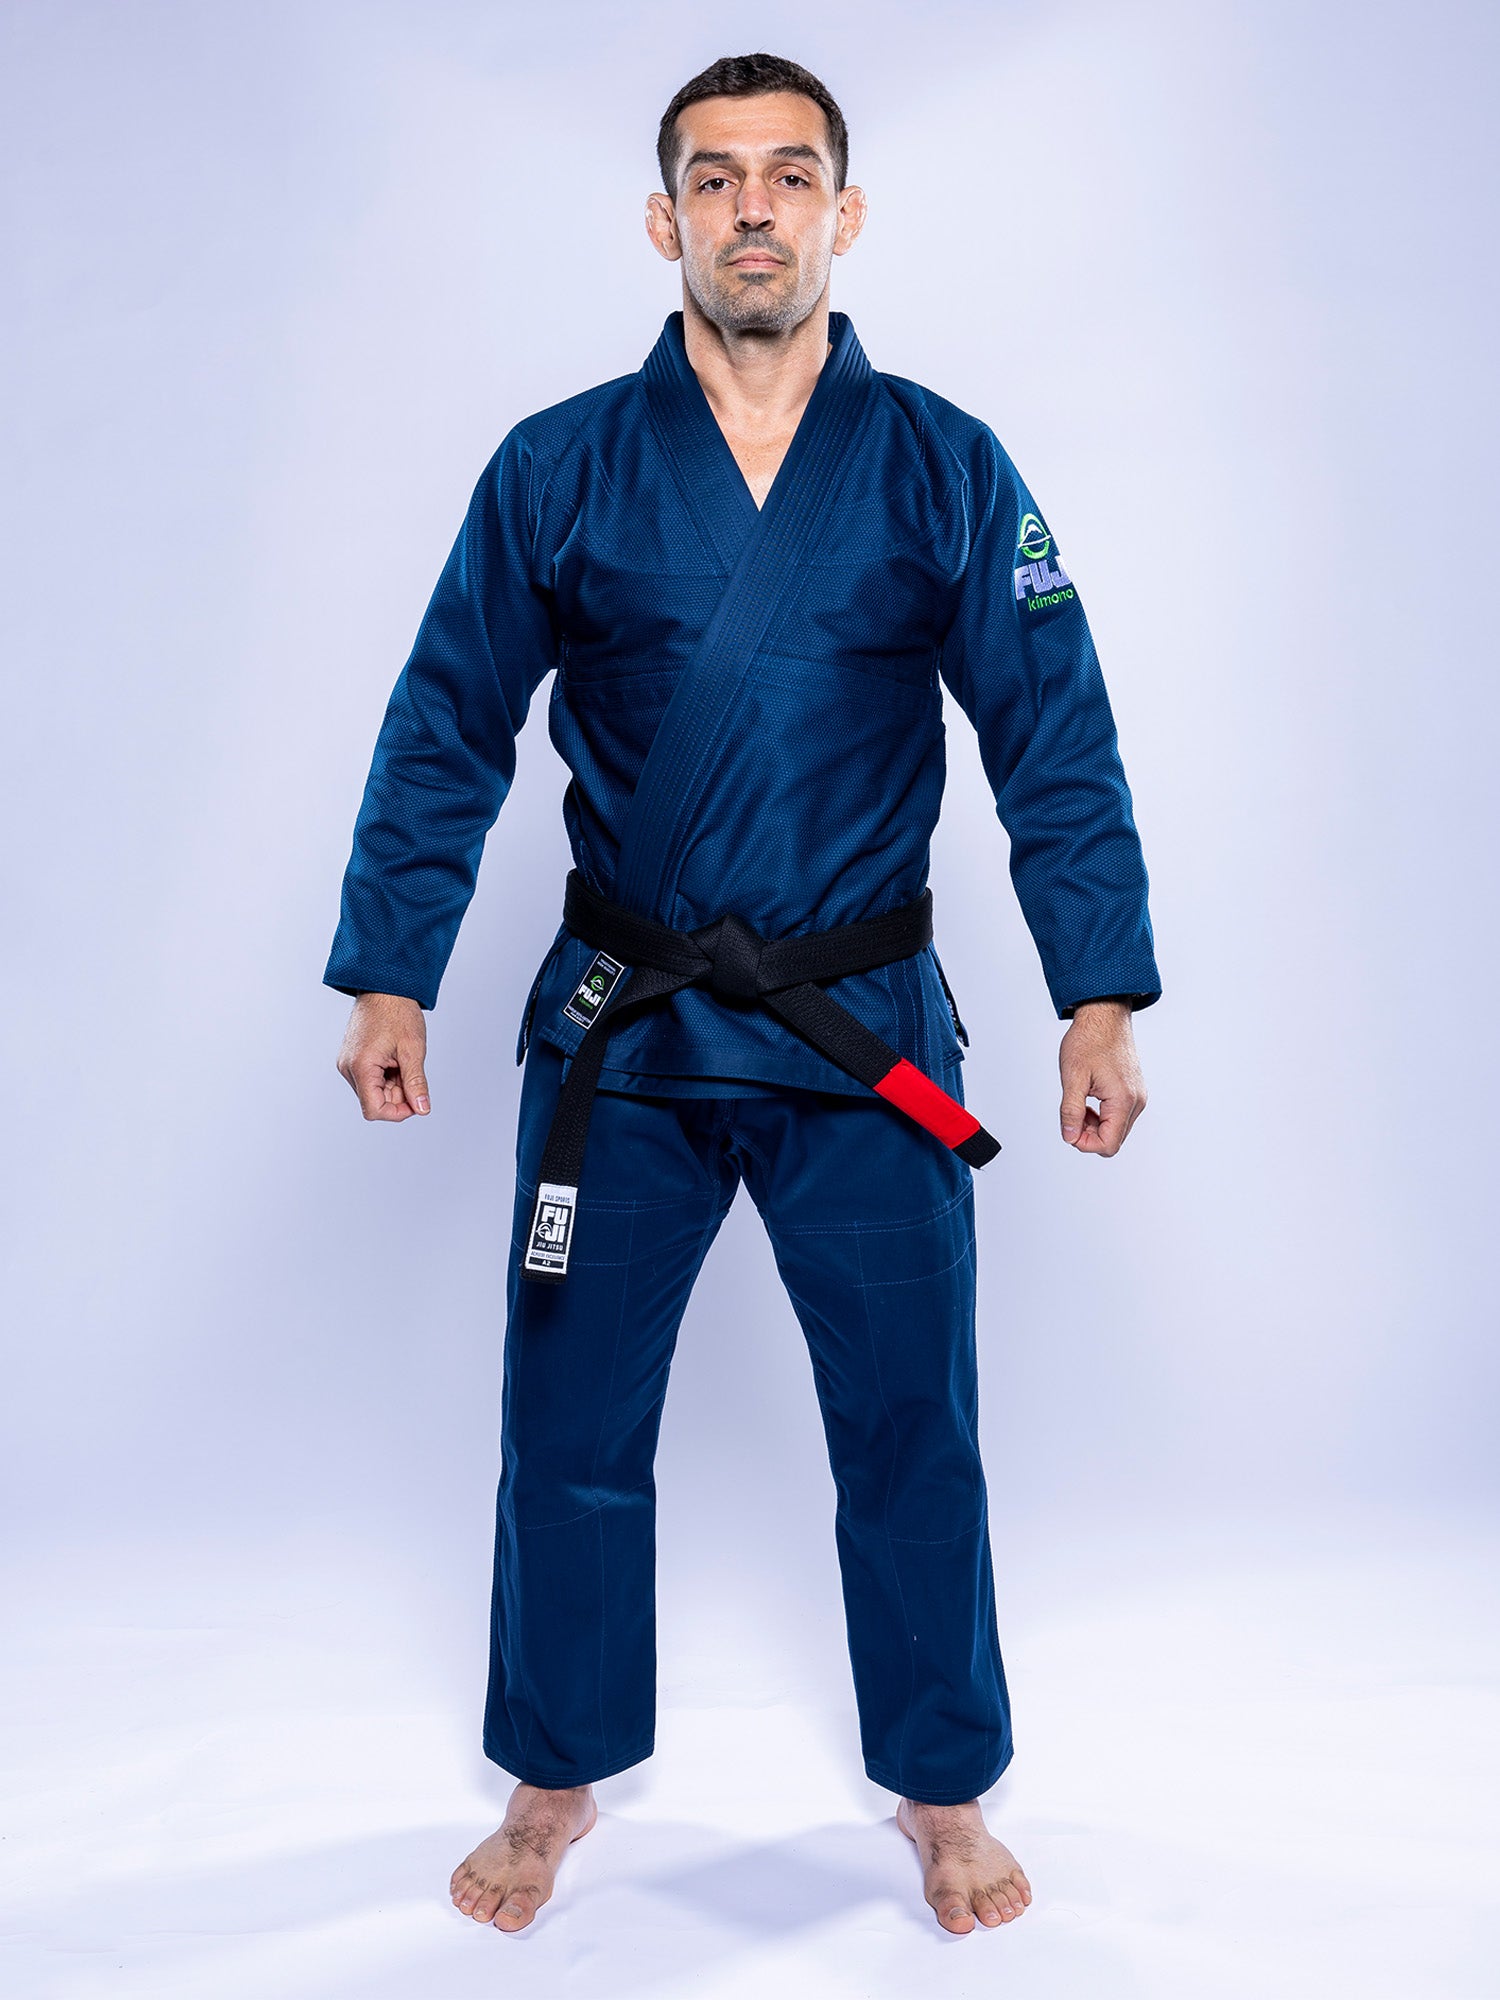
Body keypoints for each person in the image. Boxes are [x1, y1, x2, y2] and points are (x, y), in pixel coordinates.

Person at [326, 52, 1158, 1938]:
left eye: (791, 175)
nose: (755, 207)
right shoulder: (559, 465)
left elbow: (1058, 740)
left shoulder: (945, 465)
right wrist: (392, 965)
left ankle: (940, 1790)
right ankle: (554, 1778)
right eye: (717, 180)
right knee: (568, 1420)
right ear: (666, 221)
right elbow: (449, 720)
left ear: (845, 215)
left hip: (863, 1041)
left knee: (909, 1424)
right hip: (622, 1029)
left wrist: (1096, 992)